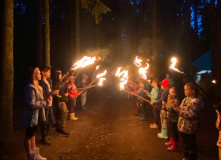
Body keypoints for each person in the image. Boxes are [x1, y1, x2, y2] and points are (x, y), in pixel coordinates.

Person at [23, 67, 49, 160]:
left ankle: (35, 154)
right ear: (34, 75)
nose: (40, 74)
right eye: (38, 73)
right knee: (29, 135)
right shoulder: (30, 88)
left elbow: (40, 100)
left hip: (36, 116)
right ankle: (30, 155)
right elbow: (31, 104)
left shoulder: (38, 87)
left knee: (33, 134)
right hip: (30, 116)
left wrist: (46, 99)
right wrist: (44, 102)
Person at [172, 82, 201, 160]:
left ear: (193, 91)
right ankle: (186, 156)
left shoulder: (196, 101)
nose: (184, 91)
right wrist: (176, 107)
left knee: (191, 144)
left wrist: (179, 111)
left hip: (190, 127)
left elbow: (192, 115)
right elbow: (181, 108)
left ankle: (191, 157)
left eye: (186, 90)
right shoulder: (185, 99)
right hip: (182, 126)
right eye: (184, 90)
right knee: (185, 143)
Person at [39, 66, 59, 145]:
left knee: (50, 120)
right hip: (45, 104)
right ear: (43, 72)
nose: (50, 73)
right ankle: (44, 137)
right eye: (48, 71)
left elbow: (50, 91)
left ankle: (46, 135)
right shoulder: (41, 83)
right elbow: (43, 94)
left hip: (49, 104)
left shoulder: (48, 81)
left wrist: (53, 93)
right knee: (45, 121)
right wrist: (52, 93)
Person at [53, 69, 70, 136]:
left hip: (62, 100)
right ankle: (61, 129)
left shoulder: (60, 82)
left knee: (60, 115)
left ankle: (59, 128)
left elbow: (62, 90)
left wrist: (66, 90)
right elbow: (57, 94)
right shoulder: (56, 83)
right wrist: (62, 96)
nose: (61, 75)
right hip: (60, 102)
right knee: (63, 114)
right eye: (59, 74)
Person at [165, 87, 179, 151]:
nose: (172, 94)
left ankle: (175, 145)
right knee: (171, 130)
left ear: (176, 92)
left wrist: (167, 105)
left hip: (174, 118)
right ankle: (171, 141)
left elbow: (172, 109)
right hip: (170, 117)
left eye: (173, 92)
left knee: (175, 131)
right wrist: (165, 105)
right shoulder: (170, 98)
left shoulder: (176, 100)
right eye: (170, 92)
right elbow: (167, 106)